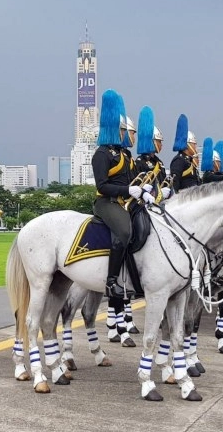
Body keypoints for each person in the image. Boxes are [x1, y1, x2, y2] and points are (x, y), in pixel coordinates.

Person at [91, 89, 148, 300]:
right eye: (124, 130)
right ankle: (111, 281)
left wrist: (144, 191)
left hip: (125, 201)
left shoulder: (124, 154)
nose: (127, 134)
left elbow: (133, 179)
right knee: (124, 230)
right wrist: (127, 190)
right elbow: (102, 185)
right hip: (106, 202)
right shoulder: (102, 154)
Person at [135, 106, 171, 202]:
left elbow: (164, 182)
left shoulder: (159, 162)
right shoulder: (140, 162)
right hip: (145, 202)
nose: (161, 144)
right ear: (153, 141)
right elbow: (138, 186)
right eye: (159, 141)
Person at [170, 114, 201, 192]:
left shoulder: (188, 161)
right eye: (194, 144)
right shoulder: (179, 160)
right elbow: (174, 184)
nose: (195, 147)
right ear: (188, 144)